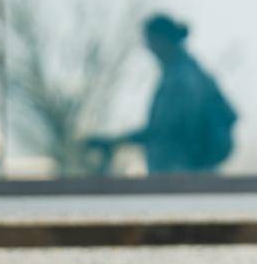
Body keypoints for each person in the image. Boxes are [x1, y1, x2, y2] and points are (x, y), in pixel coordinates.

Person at [88, 13, 238, 175]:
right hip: (184, 171)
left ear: (161, 40)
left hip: (180, 172)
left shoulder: (182, 78)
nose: (148, 47)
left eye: (149, 41)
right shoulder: (186, 73)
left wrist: (118, 142)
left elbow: (167, 129)